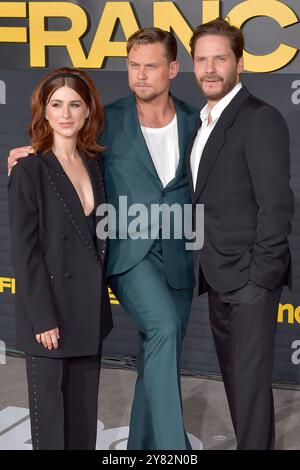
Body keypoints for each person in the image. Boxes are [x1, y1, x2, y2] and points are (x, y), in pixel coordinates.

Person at [8, 29, 199, 450]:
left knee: (158, 352)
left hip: (179, 253)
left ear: (173, 69)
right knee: (163, 327)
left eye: (151, 66)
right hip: (129, 256)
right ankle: (174, 451)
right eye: (134, 66)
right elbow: (61, 137)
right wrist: (28, 152)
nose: (141, 75)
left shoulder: (195, 121)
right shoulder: (108, 119)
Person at [188, 18, 294, 449]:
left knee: (249, 384)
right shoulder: (205, 120)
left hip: (249, 278)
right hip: (215, 272)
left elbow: (277, 203)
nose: (209, 68)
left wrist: (259, 276)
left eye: (219, 58)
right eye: (201, 59)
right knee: (236, 379)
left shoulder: (259, 119)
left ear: (239, 63)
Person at [8, 67, 113, 450]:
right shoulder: (29, 170)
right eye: (56, 104)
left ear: (88, 112)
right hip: (49, 318)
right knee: (52, 430)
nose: (65, 113)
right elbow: (25, 251)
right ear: (44, 111)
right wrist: (43, 317)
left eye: (74, 104)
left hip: (88, 314)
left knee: (84, 423)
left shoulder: (97, 165)